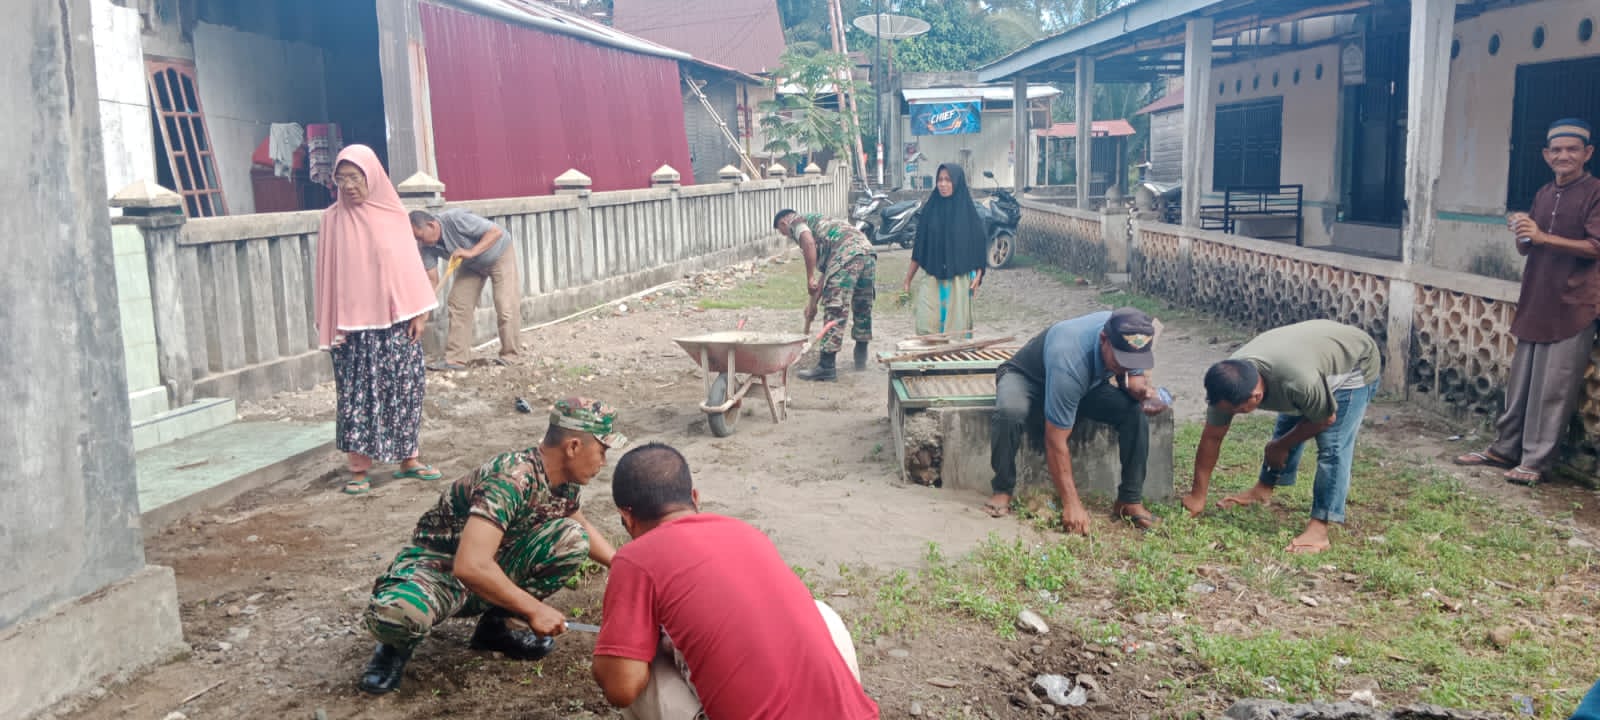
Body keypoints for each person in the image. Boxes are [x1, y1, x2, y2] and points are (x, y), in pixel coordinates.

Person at [355, 398, 626, 695]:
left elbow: (577, 521)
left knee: (572, 538)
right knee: (399, 613)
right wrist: (534, 609)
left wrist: (623, 565)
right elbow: (469, 565)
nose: (603, 461)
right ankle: (394, 649)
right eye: (602, 451)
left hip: (492, 568)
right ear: (573, 447)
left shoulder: (562, 479)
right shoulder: (510, 479)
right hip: (439, 571)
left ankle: (497, 629)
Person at [591, 443, 878, 720]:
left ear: (626, 517)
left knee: (630, 660)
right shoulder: (747, 533)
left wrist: (614, 654)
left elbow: (622, 687)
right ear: (694, 497)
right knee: (821, 613)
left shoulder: (636, 558)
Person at [1455, 118, 1600, 486]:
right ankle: (1505, 448)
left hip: (1574, 303)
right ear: (1546, 155)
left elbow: (1595, 247)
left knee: (1553, 389)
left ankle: (1536, 461)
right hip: (1538, 297)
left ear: (1587, 153)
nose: (1563, 156)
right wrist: (1522, 233)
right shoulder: (1544, 193)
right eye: (1557, 150)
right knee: (1521, 384)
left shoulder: (1595, 192)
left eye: (1572, 149)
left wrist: (1542, 235)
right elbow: (1530, 244)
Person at [1185, 320, 1381, 554]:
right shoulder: (1226, 383)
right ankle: (1262, 491)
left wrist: (1279, 446)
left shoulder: (1298, 383)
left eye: (1237, 411)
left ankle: (1320, 528)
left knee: (1333, 445)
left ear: (1256, 397)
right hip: (1308, 354)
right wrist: (1198, 496)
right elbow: (1212, 438)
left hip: (1356, 361)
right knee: (1289, 419)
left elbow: (1324, 419)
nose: (1230, 415)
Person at [314, 145, 443, 495]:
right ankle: (358, 469)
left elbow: (409, 269)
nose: (349, 186)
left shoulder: (393, 215)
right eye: (342, 180)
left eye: (355, 178)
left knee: (406, 387)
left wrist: (421, 312)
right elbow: (327, 274)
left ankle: (408, 459)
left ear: (371, 176)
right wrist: (330, 321)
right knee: (358, 395)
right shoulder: (332, 220)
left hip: (396, 322)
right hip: (353, 329)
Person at [986, 308, 1163, 534]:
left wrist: (1144, 393)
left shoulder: (1130, 334)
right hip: (1028, 378)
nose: (1127, 366)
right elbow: (1055, 440)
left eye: (1133, 361)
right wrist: (1072, 504)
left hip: (1085, 386)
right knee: (1010, 412)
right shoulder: (1070, 358)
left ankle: (1129, 501)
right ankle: (1002, 488)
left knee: (1133, 413)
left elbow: (1133, 378)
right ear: (1103, 340)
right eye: (1122, 361)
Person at [410, 208, 523, 370]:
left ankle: (511, 355)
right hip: (471, 264)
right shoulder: (426, 246)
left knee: (505, 306)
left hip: (499, 254)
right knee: (458, 303)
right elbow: (431, 281)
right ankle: (456, 359)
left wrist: (470, 252)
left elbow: (495, 232)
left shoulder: (456, 219)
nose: (419, 242)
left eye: (420, 236)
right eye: (416, 238)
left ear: (431, 225)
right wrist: (422, 316)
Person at [773, 209, 877, 381]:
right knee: (862, 306)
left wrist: (809, 277)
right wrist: (812, 305)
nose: (785, 235)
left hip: (847, 253)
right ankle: (860, 361)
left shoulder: (795, 222)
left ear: (783, 223)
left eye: (781, 231)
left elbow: (808, 243)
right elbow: (828, 273)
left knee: (835, 308)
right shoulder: (823, 227)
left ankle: (826, 367)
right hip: (866, 251)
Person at [903, 164, 989, 339]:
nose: (943, 184)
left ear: (957, 183)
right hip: (933, 275)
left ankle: (954, 363)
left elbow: (979, 246)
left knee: (955, 332)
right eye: (940, 180)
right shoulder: (930, 210)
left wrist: (979, 275)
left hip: (959, 279)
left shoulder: (968, 213)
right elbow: (920, 248)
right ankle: (931, 363)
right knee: (926, 326)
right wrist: (908, 280)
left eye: (948, 180)